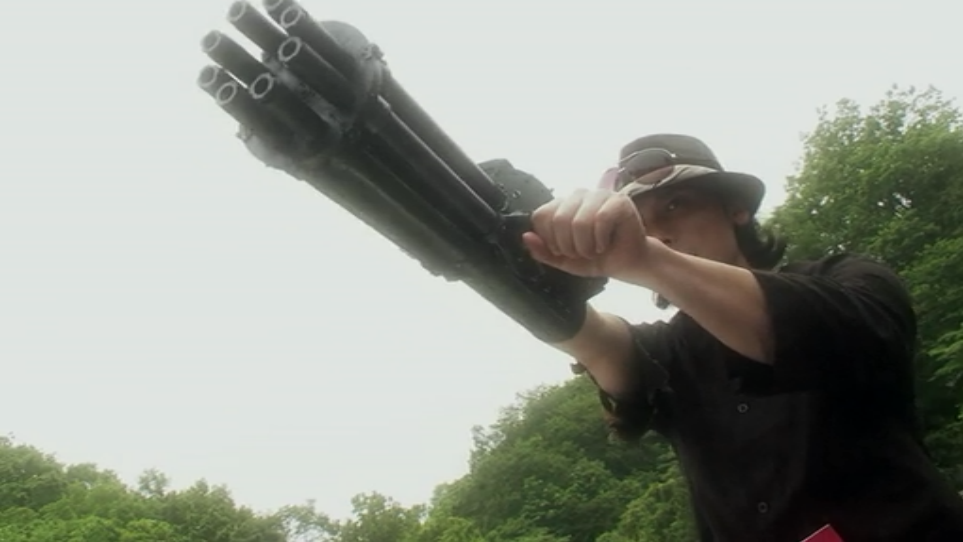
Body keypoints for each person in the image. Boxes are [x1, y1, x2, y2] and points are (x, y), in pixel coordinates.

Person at [521, 134, 963, 541]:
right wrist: (512, 266)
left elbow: (836, 331)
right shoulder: (666, 352)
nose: (657, 233)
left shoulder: (848, 279)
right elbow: (591, 338)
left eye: (674, 205)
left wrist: (645, 258)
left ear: (736, 208)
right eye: (639, 221)